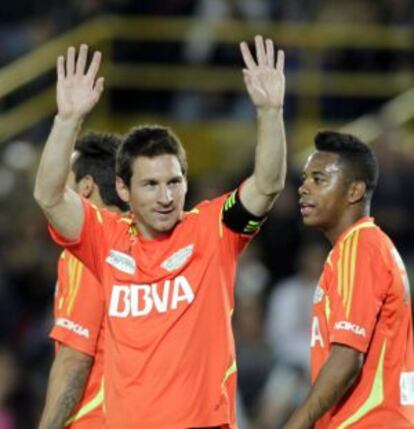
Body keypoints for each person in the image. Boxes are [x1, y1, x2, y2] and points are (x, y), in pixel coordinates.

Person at [34, 36, 287, 429]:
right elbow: (49, 196)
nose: (166, 197)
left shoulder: (214, 229)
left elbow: (267, 185)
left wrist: (271, 112)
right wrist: (67, 120)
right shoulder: (105, 239)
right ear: (123, 189)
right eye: (150, 185)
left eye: (174, 182)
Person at [284, 131, 414, 428]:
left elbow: (346, 359)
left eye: (318, 179)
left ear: (354, 191)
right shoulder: (362, 246)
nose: (303, 188)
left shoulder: (361, 248)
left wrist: (295, 425)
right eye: (305, 178)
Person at [38, 132, 128, 429]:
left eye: (64, 180)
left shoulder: (89, 249)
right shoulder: (144, 241)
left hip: (94, 418)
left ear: (85, 186)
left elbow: (75, 358)